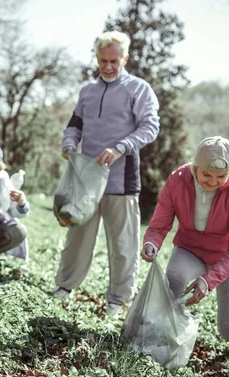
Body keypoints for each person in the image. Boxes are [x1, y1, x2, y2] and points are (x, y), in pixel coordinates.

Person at [54, 30, 160, 316]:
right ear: (97, 59)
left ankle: (118, 300)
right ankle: (64, 287)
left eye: (115, 60)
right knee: (77, 237)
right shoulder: (87, 92)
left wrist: (122, 146)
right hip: (86, 180)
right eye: (103, 60)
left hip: (121, 179)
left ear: (125, 58)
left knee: (123, 245)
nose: (108, 66)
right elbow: (74, 124)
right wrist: (69, 142)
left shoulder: (138, 89)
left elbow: (150, 127)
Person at [141, 136, 229, 355]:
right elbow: (159, 224)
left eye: (221, 177)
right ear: (195, 167)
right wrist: (151, 242)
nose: (212, 182)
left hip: (228, 258)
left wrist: (208, 280)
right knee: (174, 278)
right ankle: (164, 346)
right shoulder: (178, 179)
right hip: (190, 249)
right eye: (206, 175)